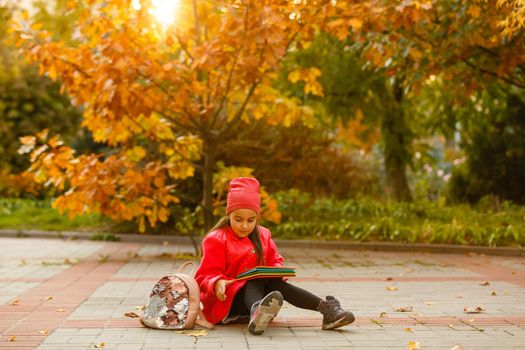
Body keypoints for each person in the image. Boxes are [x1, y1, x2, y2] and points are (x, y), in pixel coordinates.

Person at [195, 177, 355, 335]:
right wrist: (217, 283)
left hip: (259, 299)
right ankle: (258, 310)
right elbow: (204, 276)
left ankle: (327, 311)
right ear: (229, 214)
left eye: (251, 220)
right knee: (254, 279)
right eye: (238, 219)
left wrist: (276, 272)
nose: (244, 225)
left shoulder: (263, 234)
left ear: (257, 217)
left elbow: (275, 260)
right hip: (226, 304)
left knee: (273, 284)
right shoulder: (215, 238)